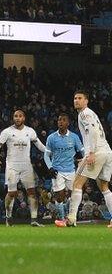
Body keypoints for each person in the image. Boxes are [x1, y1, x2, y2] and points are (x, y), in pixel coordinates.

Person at [63, 91, 112, 228]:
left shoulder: (85, 113)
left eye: (80, 98)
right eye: (75, 98)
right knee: (104, 187)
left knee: (77, 183)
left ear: (86, 101)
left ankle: (71, 219)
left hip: (97, 152)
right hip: (107, 151)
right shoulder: (91, 113)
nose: (76, 100)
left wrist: (90, 153)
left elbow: (93, 132)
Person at [0, 109, 46, 227]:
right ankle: (8, 217)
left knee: (32, 192)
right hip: (12, 166)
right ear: (13, 118)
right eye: (15, 116)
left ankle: (34, 220)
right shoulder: (7, 132)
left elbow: (39, 145)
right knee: (12, 193)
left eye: (20, 116)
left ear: (24, 118)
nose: (17, 118)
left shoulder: (30, 131)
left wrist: (49, 151)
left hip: (26, 166)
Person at [43, 113, 84, 224]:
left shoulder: (74, 137)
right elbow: (46, 155)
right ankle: (61, 219)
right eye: (59, 120)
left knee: (74, 195)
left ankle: (71, 218)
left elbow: (82, 151)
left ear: (68, 123)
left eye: (63, 120)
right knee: (59, 196)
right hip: (57, 171)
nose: (60, 122)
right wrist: (50, 167)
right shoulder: (51, 137)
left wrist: (84, 161)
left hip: (71, 170)